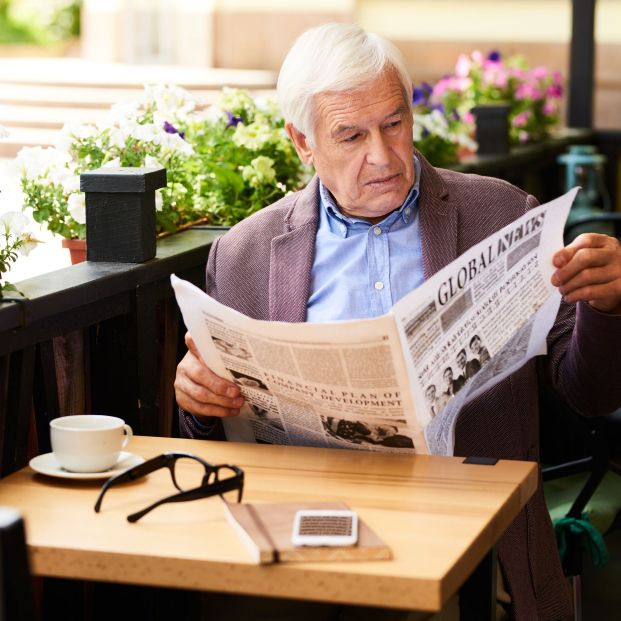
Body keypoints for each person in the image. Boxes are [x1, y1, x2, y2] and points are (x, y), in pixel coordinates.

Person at [174, 22, 621, 621]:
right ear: (302, 143)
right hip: (307, 544)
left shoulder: (501, 214)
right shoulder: (246, 253)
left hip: (471, 540)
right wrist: (199, 401)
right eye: (350, 136)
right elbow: (213, 439)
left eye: (394, 123)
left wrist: (609, 306)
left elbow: (590, 394)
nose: (382, 157)